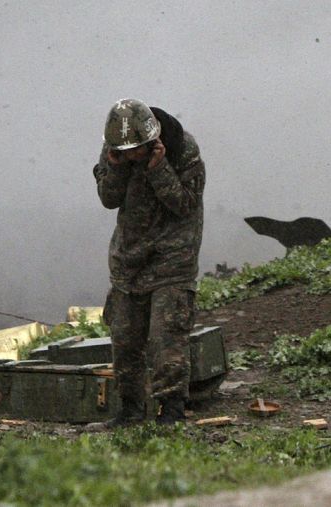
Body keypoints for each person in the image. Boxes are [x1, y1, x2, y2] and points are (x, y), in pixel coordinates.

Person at [91, 98, 205, 427]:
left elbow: (184, 204)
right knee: (124, 337)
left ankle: (171, 411)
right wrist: (114, 167)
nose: (130, 157)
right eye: (123, 151)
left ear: (152, 142)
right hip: (129, 258)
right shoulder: (115, 150)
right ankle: (129, 411)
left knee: (166, 337)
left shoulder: (183, 150)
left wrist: (159, 170)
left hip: (173, 258)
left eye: (135, 151)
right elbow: (108, 199)